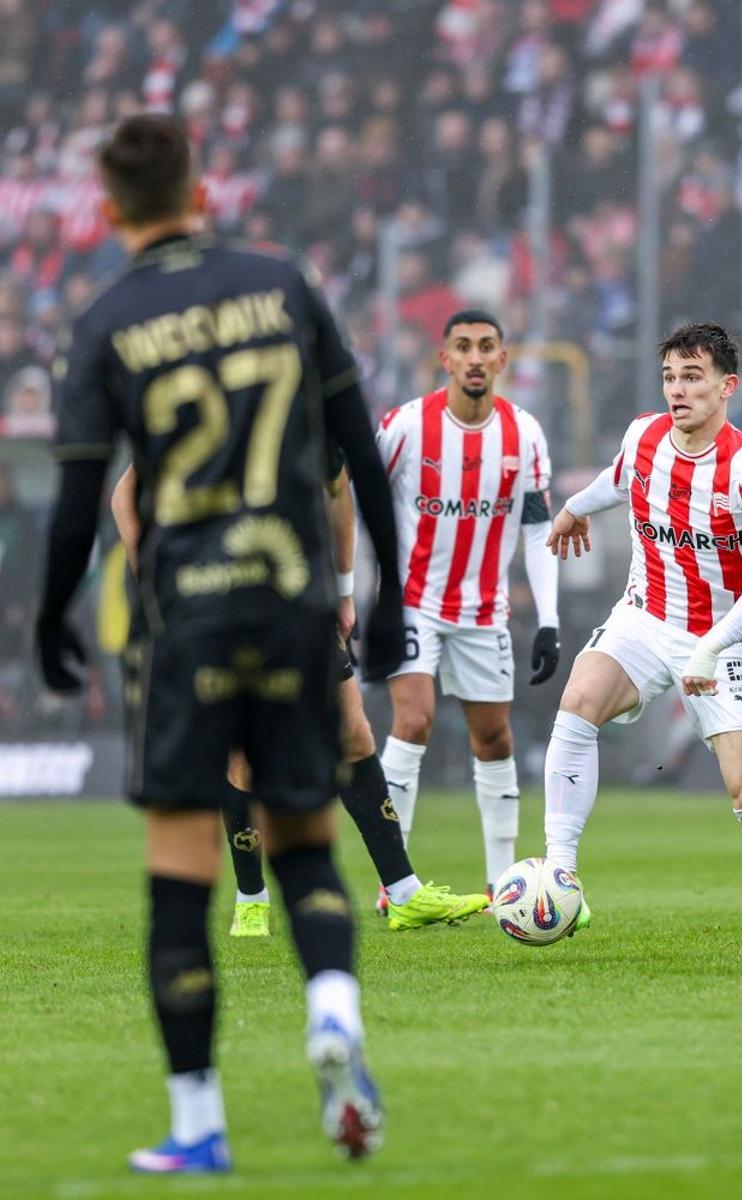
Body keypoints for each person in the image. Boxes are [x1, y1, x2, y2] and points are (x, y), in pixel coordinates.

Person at [34, 114, 403, 1171]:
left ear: (108, 212)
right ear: (201, 190)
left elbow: (76, 504)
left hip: (187, 617)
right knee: (304, 840)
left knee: (180, 868)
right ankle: (334, 1013)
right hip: (294, 604)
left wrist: (50, 614)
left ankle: (198, 1122)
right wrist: (379, 593)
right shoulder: (283, 284)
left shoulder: (108, 320)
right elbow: (361, 454)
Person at [110, 460, 489, 936]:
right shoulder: (197, 396)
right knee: (243, 755)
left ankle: (404, 892)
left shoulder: (307, 399)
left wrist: (345, 589)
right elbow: (126, 494)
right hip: (217, 599)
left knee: (353, 732)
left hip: (300, 593)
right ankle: (252, 901)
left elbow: (338, 488)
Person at [543, 321, 742, 957]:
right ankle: (561, 879)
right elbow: (615, 481)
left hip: (718, 638)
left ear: (728, 387)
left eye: (693, 377)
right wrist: (573, 509)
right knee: (578, 703)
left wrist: (711, 647)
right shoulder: (643, 435)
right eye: (670, 376)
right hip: (644, 616)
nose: (678, 390)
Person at [375, 309, 560, 897]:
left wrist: (549, 621)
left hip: (483, 608)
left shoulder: (524, 434)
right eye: (463, 346)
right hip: (412, 600)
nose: (476, 357)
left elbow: (537, 528)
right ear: (445, 358)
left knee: (495, 739)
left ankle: (498, 885)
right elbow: (355, 500)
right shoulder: (406, 427)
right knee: (414, 719)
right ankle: (394, 880)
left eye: (487, 347)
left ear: (503, 360)